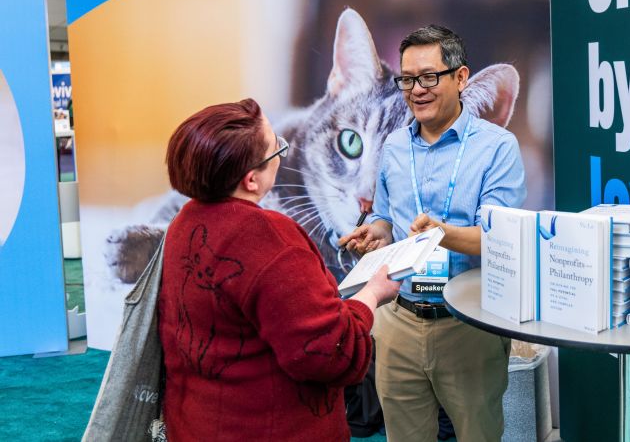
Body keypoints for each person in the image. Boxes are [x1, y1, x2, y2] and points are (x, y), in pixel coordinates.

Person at [158, 99, 400, 441]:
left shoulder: (184, 221)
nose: (284, 156)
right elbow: (332, 354)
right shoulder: (271, 239)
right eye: (277, 150)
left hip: (197, 420)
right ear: (252, 179)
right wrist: (371, 295)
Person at [339, 25, 526, 441]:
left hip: (468, 325)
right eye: (407, 79)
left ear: (460, 78)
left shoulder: (497, 148)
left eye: (428, 77)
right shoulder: (392, 147)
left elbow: (501, 238)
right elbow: (387, 218)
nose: (416, 90)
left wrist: (443, 234)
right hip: (398, 322)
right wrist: (375, 233)